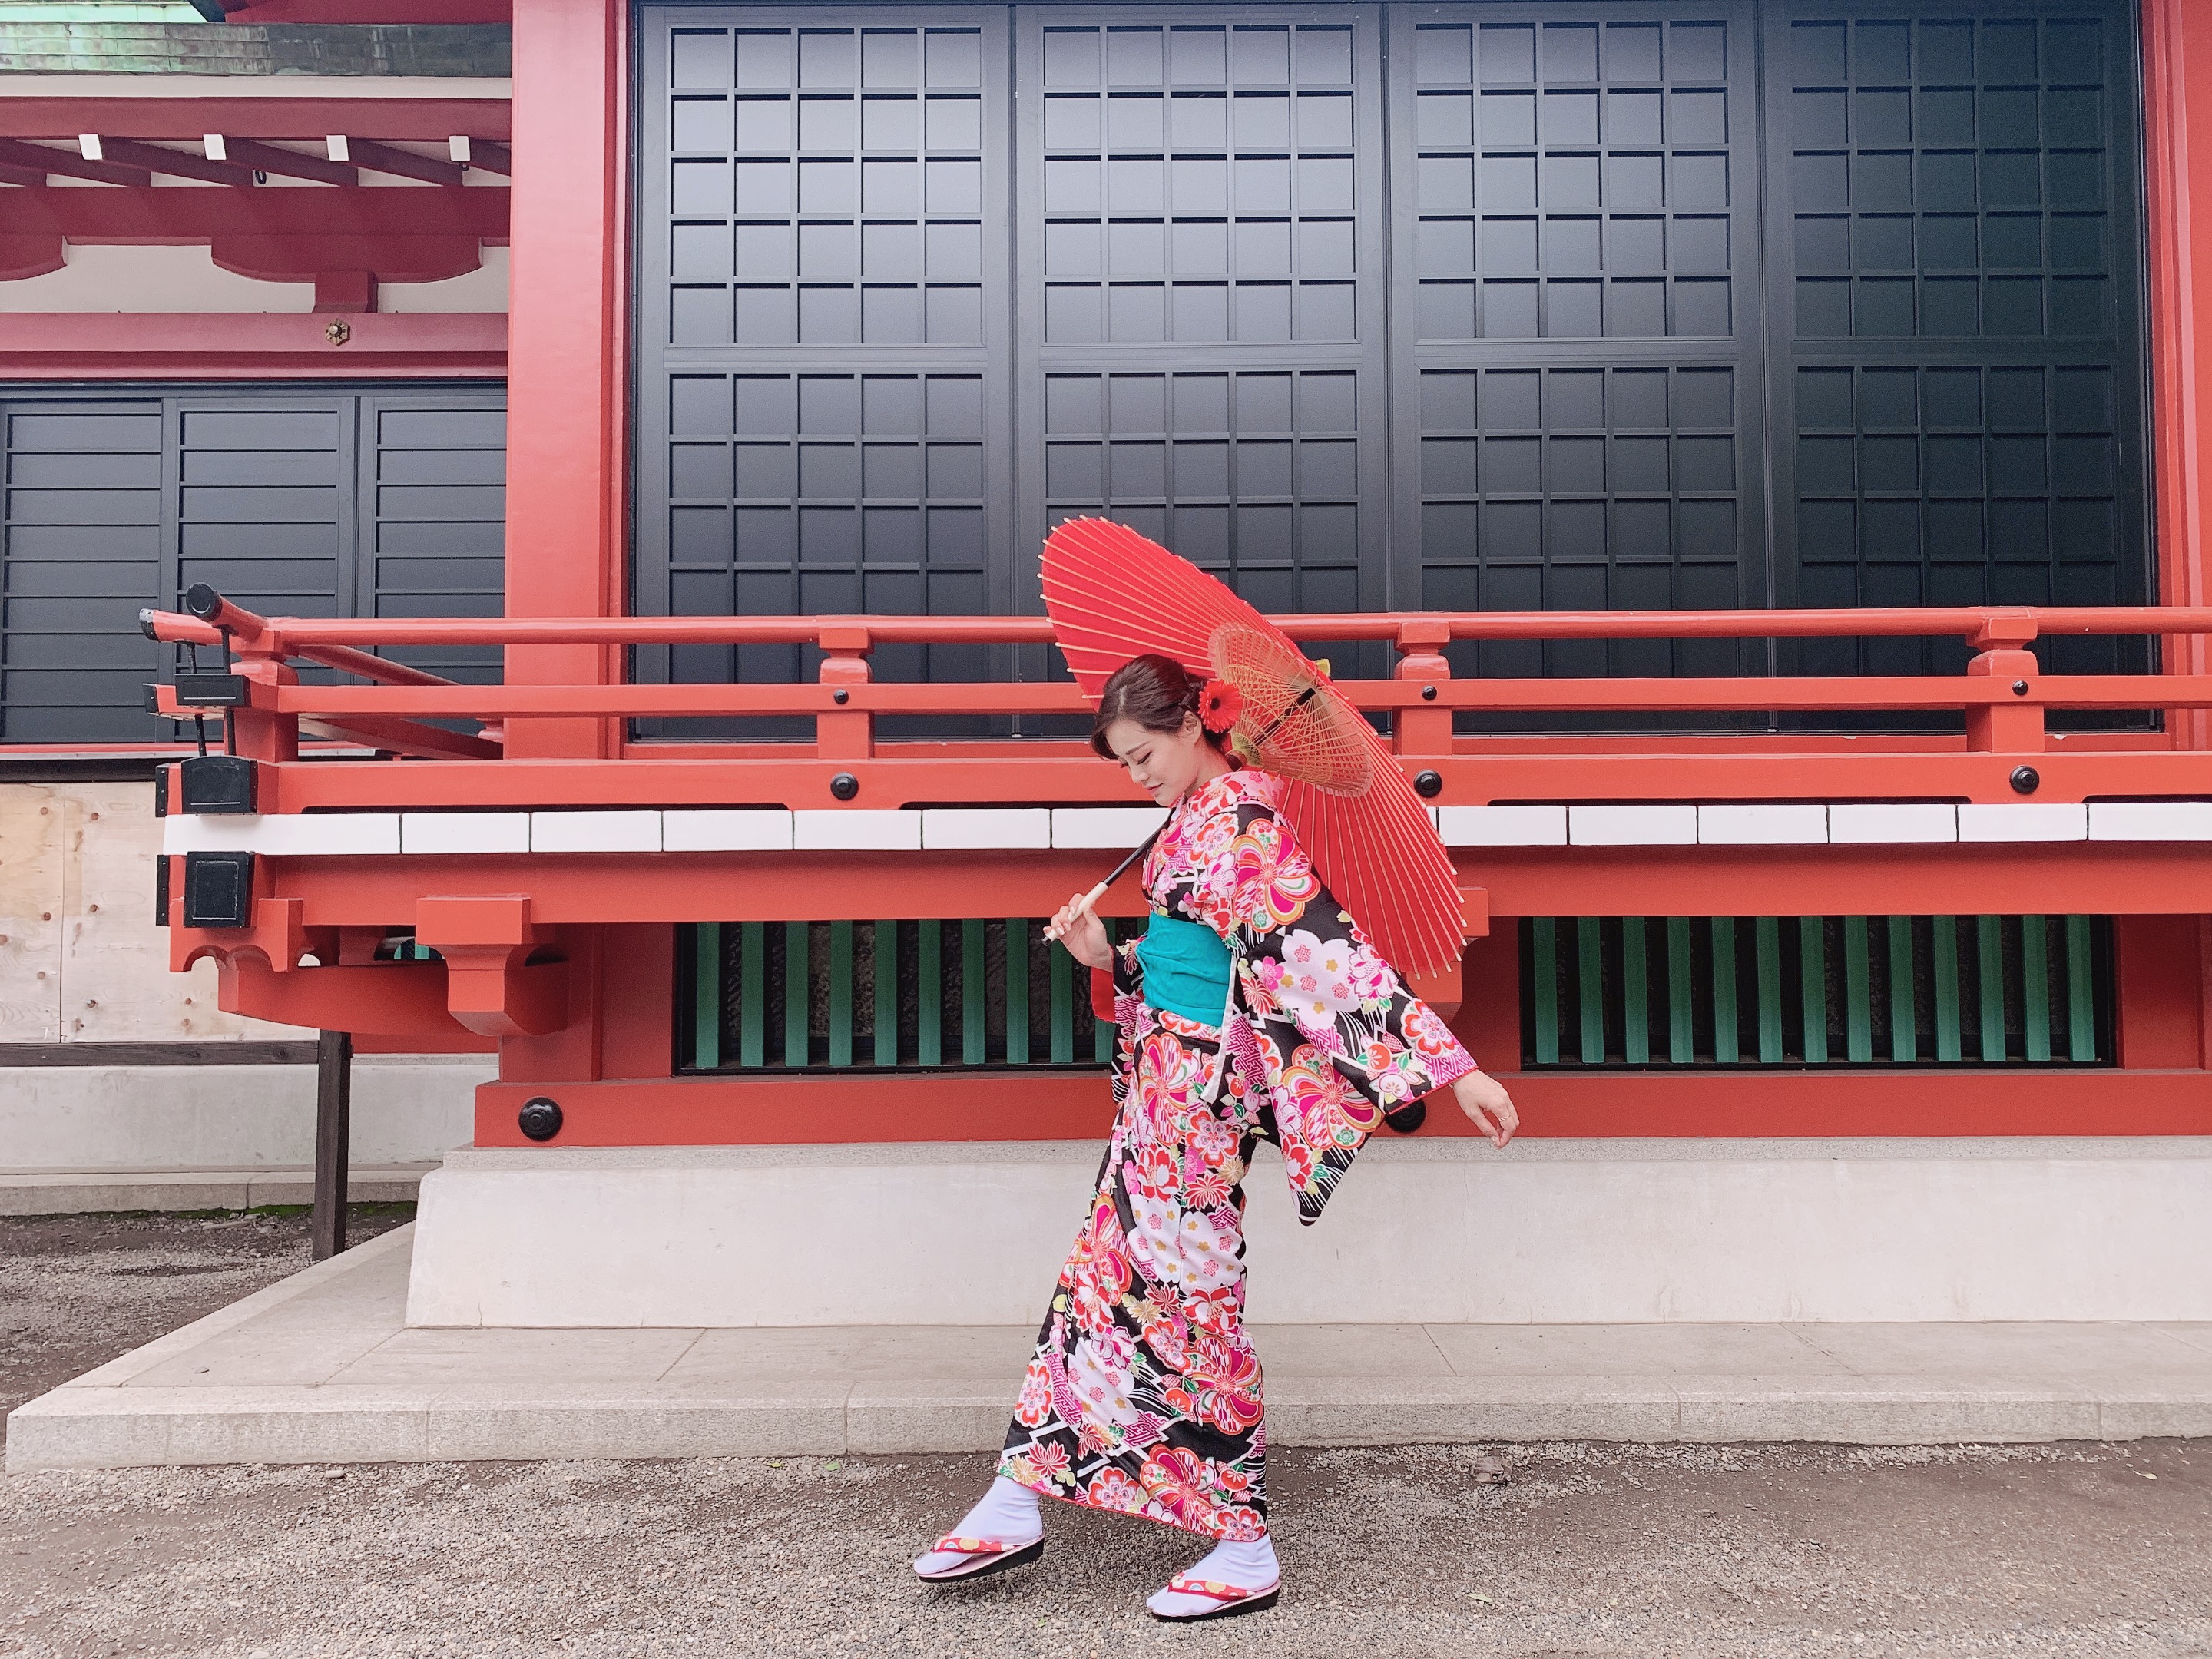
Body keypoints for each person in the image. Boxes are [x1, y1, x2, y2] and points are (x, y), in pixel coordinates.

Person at [912, 653, 1518, 1622]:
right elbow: (1180, 962)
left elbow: (1321, 956)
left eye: (1144, 752)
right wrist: (1108, 956)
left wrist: (1455, 1067)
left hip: (1199, 1102)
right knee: (1100, 1289)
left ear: (1195, 723)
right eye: (1123, 763)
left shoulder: (1244, 820)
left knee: (1193, 1306)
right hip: (1161, 1095)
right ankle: (1017, 1495)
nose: (1138, 773)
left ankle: (1242, 1550)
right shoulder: (1189, 823)